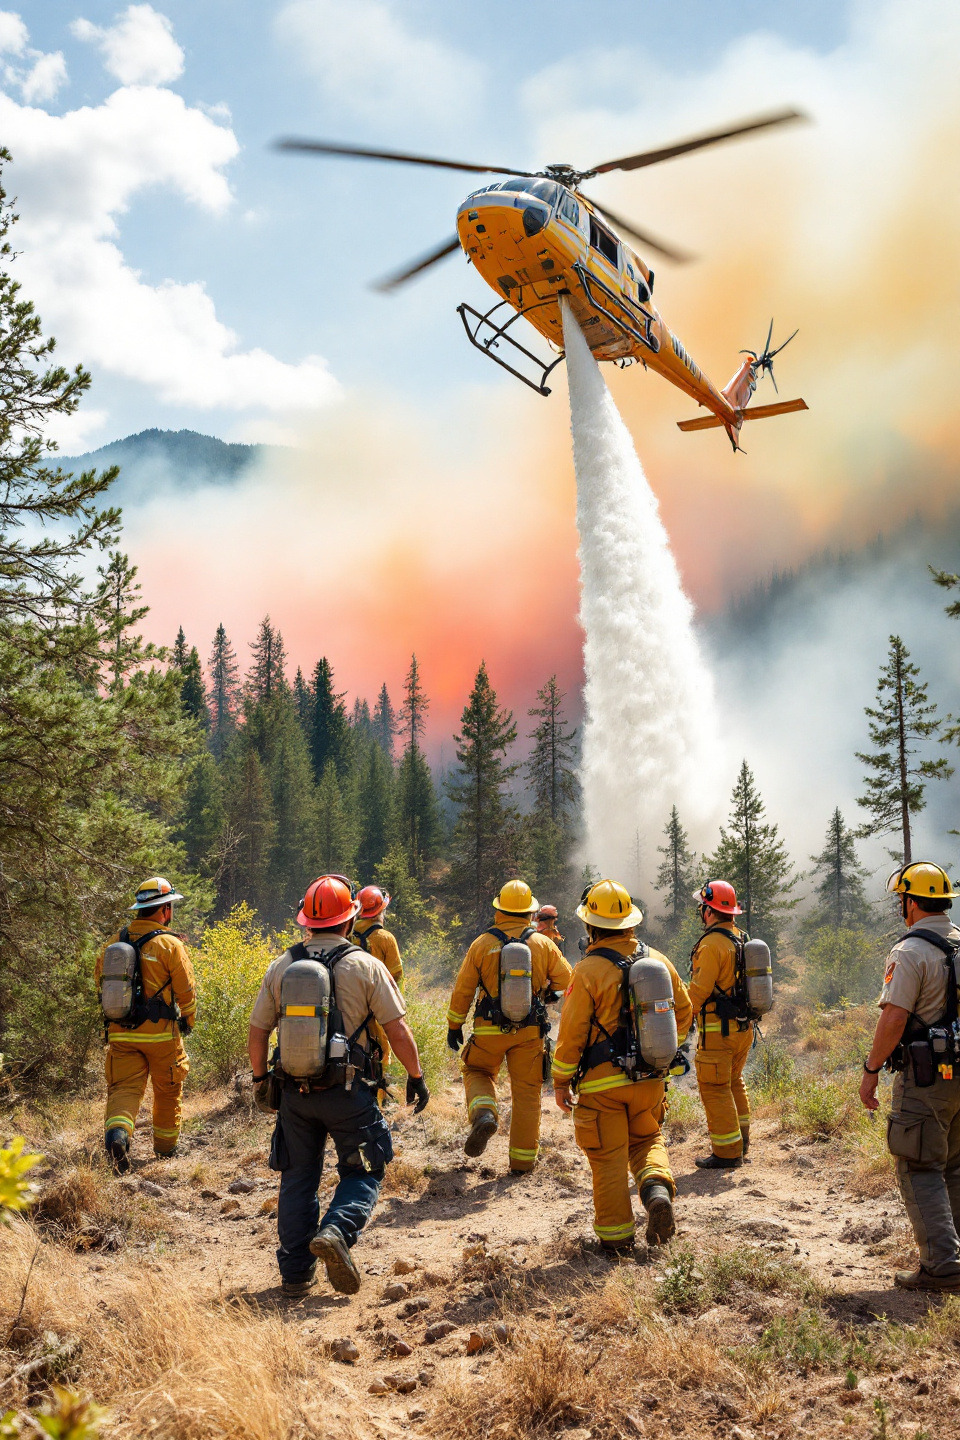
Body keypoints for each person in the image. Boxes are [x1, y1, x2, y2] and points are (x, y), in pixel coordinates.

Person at [248, 874, 429, 1298]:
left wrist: (260, 1082)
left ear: (306, 923)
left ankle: (295, 1275)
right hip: (349, 1093)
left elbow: (257, 1032)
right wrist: (416, 1077)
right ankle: (337, 1231)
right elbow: (397, 1029)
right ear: (349, 920)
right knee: (364, 1169)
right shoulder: (366, 965)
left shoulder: (282, 965)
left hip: (294, 1093)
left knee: (297, 1178)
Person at [553, 879, 692, 1250]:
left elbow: (572, 1033)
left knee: (609, 1159)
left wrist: (561, 1081)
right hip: (650, 1081)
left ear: (590, 924)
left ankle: (616, 1243)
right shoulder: (658, 960)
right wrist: (660, 1051)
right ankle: (656, 1189)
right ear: (630, 921)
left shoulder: (587, 970)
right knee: (647, 1139)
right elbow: (684, 1010)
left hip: (603, 1088)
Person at [859, 862, 960, 1292]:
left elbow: (895, 1018)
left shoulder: (910, 952)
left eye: (901, 899)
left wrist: (871, 1071)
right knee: (954, 1165)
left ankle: (943, 1266)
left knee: (919, 1165)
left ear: (911, 903)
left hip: (926, 1078)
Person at [447, 879, 572, 1172]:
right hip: (529, 1032)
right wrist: (549, 994)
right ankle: (522, 1163)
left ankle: (484, 1112)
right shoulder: (543, 943)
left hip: (489, 1029)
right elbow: (568, 982)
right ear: (530, 912)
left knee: (477, 1070)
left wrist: (455, 1024)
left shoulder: (482, 943)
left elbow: (463, 988)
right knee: (527, 1095)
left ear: (499, 910)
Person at [95, 876, 197, 1172]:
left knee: (124, 1088)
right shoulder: (170, 944)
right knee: (167, 1090)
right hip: (161, 1036)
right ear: (165, 909)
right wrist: (188, 1019)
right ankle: (165, 1149)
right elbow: (186, 990)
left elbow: (100, 981)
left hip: (121, 1033)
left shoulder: (114, 942)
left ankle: (118, 1135)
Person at [688, 880, 753, 1169]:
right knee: (733, 1081)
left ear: (709, 911)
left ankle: (727, 1153)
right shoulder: (742, 937)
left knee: (715, 1087)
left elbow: (699, 992)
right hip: (743, 1030)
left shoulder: (711, 944)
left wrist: (679, 1020)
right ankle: (742, 1142)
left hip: (718, 1032)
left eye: (702, 908)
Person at [354, 885, 404, 1073]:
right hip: (377, 1012)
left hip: (348, 1010)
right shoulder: (385, 938)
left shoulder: (347, 934)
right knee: (379, 1061)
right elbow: (396, 977)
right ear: (382, 911)